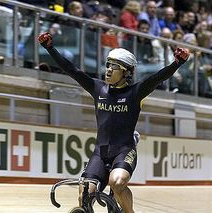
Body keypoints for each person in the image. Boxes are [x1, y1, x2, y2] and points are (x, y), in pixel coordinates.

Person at [38, 31, 189, 213]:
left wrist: (177, 63)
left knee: (116, 183)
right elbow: (72, 70)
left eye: (114, 67)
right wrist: (50, 48)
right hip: (100, 153)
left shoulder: (136, 92)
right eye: (108, 65)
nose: (108, 69)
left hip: (124, 150)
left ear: (126, 72)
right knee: (83, 195)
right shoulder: (98, 88)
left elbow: (157, 78)